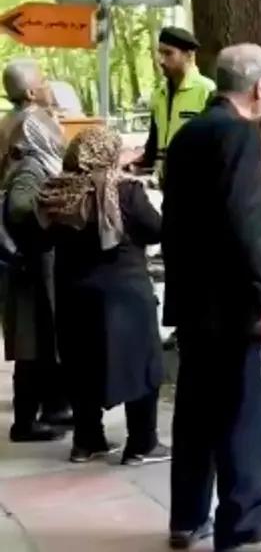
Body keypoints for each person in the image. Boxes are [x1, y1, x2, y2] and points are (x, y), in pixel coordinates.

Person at [162, 44, 261, 552]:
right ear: (260, 87)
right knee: (247, 419)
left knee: (196, 415)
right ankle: (243, 532)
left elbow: (176, 223)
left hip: (195, 304)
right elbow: (247, 223)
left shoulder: (188, 133)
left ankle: (188, 518)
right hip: (238, 307)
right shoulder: (237, 136)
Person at [36, 126, 169, 465]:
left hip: (74, 294)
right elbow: (156, 230)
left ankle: (87, 440)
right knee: (143, 365)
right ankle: (142, 443)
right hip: (125, 293)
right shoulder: (125, 191)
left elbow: (42, 238)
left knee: (81, 366)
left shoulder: (56, 191)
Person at [0, 59, 71, 443]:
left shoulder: (12, 126)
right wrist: (56, 213)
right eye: (42, 82)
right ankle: (27, 421)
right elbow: (21, 207)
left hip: (26, 260)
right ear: (29, 92)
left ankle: (54, 406)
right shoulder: (29, 157)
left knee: (44, 335)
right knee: (33, 337)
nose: (47, 87)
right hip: (29, 261)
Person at [139, 27, 216, 183]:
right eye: (160, 53)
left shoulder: (207, 91)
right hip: (166, 185)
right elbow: (154, 143)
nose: (161, 60)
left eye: (168, 53)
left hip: (198, 184)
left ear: (188, 55)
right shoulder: (158, 95)